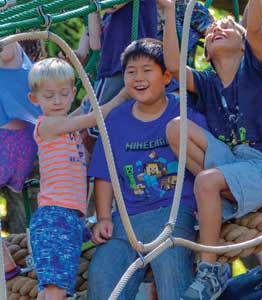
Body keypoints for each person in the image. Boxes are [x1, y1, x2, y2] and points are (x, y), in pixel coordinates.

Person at [161, 0, 262, 299]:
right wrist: (169, 10)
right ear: (205, 52)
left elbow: (256, 25)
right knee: (175, 127)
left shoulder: (254, 68)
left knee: (206, 181)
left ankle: (208, 273)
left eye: (228, 27)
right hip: (232, 163)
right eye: (213, 30)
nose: (218, 27)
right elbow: (172, 66)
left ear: (244, 44)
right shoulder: (206, 83)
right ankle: (223, 196)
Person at [87, 38, 208, 300]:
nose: (138, 78)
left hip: (174, 215)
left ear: (166, 76)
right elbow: (105, 174)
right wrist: (104, 217)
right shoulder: (116, 120)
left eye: (147, 70)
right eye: (131, 72)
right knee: (101, 277)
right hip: (126, 221)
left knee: (173, 278)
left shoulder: (184, 113)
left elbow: (206, 161)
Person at [27, 57, 125, 300]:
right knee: (55, 291)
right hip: (54, 217)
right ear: (34, 100)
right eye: (49, 96)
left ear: (72, 93)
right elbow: (93, 118)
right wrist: (123, 95)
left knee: (53, 289)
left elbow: (80, 112)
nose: (57, 101)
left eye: (63, 94)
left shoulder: (66, 126)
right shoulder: (47, 125)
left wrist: (86, 101)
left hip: (71, 218)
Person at [85, 0, 158, 138]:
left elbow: (112, 5)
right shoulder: (108, 14)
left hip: (128, 66)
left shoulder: (116, 5)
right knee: (98, 128)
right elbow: (95, 43)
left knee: (96, 127)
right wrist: (93, 9)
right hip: (112, 68)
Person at [0, 41, 42, 280]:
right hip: (23, 144)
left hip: (9, 145)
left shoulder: (9, 50)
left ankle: (5, 263)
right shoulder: (22, 58)